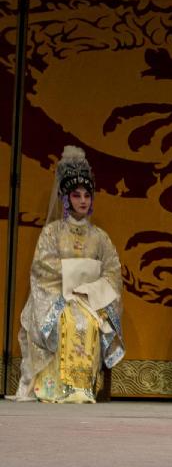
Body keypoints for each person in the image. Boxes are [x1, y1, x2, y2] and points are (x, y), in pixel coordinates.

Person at [13, 145, 125, 403]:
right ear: (66, 198)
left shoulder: (100, 238)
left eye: (87, 195)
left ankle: (83, 387)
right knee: (68, 321)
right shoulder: (52, 233)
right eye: (76, 195)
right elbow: (42, 267)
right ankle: (55, 387)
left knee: (89, 322)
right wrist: (76, 278)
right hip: (57, 296)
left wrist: (89, 287)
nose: (83, 200)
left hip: (89, 301)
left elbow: (112, 272)